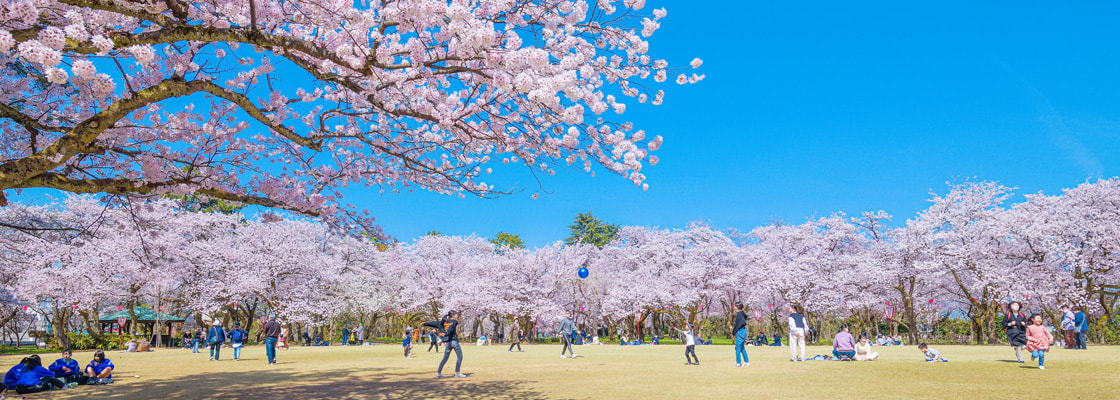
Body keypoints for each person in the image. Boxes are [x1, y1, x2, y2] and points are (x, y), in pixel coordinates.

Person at [423, 310, 465, 378]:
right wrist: (446, 334)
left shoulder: (442, 322)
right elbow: (451, 329)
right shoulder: (454, 322)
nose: (456, 315)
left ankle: (438, 373)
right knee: (460, 357)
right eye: (456, 314)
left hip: (448, 343)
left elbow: (434, 323)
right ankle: (457, 373)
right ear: (453, 315)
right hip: (454, 341)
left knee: (445, 358)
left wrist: (425, 323)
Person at [731, 303, 749, 367]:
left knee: (737, 348)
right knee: (742, 347)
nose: (734, 307)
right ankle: (746, 361)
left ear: (738, 307)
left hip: (740, 332)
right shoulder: (742, 314)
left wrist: (734, 332)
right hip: (743, 331)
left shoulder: (739, 314)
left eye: (735, 306)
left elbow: (739, 324)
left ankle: (738, 362)